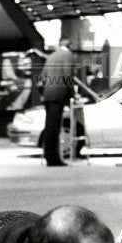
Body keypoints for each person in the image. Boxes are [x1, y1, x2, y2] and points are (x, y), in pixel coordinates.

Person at [39, 37, 76, 166]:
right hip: (59, 95)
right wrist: (73, 94)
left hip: (48, 95)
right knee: (55, 128)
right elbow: (68, 76)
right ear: (69, 44)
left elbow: (43, 76)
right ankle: (54, 159)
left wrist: (47, 89)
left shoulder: (52, 56)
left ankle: (49, 156)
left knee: (49, 127)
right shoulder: (67, 55)